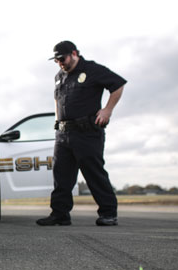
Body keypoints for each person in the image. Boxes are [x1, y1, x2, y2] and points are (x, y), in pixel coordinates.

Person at [37, 41, 126, 227]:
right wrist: (57, 122)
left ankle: (108, 213)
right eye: (56, 60)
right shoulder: (59, 76)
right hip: (63, 133)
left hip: (87, 132)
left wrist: (107, 110)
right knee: (61, 176)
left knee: (94, 173)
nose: (60, 63)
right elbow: (57, 99)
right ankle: (60, 214)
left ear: (74, 53)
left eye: (62, 59)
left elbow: (118, 85)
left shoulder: (92, 69)